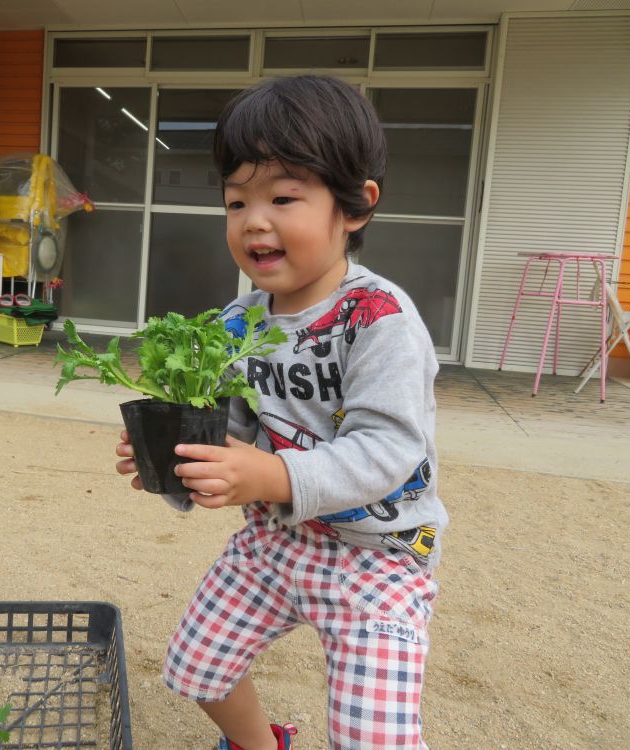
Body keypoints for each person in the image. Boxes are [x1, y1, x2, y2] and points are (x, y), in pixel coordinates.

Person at [115, 75, 448, 750]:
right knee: (196, 669)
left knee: (373, 739)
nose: (253, 221)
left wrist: (270, 476)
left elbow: (389, 449)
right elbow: (232, 424)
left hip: (376, 556)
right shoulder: (236, 322)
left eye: (283, 197)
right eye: (236, 201)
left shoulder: (379, 317)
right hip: (275, 540)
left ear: (354, 207)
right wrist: (179, 460)